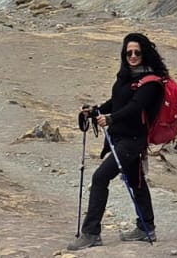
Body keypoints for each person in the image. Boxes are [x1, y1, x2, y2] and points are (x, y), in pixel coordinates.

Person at [69, 34, 168, 250]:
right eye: (128, 52)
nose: (132, 56)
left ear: (144, 53)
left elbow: (135, 107)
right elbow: (117, 101)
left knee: (100, 178)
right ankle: (146, 227)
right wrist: (95, 110)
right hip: (121, 138)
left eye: (137, 52)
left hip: (132, 141)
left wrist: (111, 118)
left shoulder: (150, 83)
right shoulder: (126, 76)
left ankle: (91, 233)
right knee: (136, 182)